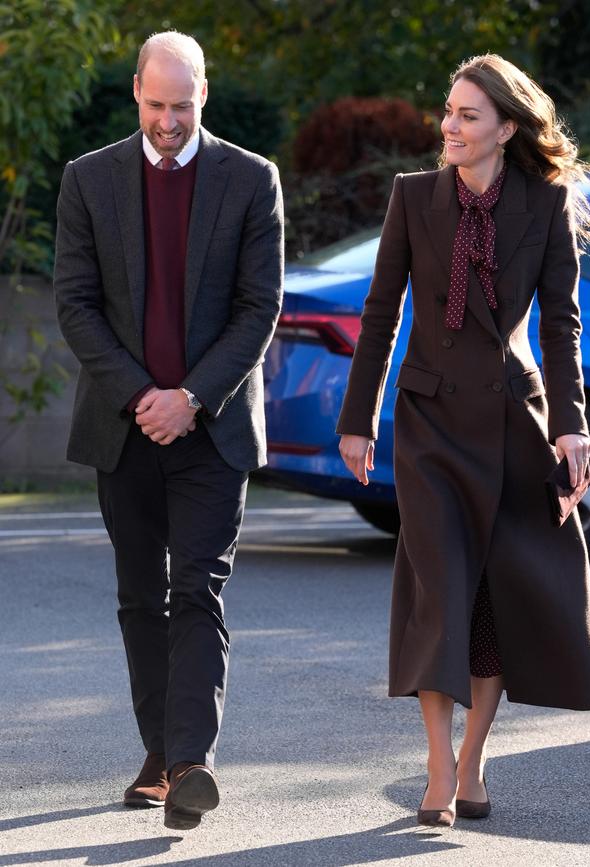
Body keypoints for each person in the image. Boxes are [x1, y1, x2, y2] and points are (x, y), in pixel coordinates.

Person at [337, 53, 590, 828]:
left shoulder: (544, 204)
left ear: (506, 128)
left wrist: (572, 426)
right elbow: (381, 311)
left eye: (467, 115)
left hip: (509, 427)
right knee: (438, 593)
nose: (449, 127)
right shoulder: (413, 197)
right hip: (427, 426)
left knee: (489, 600)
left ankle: (473, 757)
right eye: (448, 112)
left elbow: (562, 326)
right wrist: (359, 420)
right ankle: (434, 764)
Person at [54, 31, 283, 831]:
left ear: (204, 96)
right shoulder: (89, 179)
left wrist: (189, 396)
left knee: (197, 590)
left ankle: (188, 763)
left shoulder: (252, 179)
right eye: (156, 105)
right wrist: (143, 395)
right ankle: (162, 752)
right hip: (124, 429)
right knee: (137, 598)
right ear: (136, 95)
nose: (168, 121)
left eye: (182, 106)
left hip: (212, 432)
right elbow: (75, 304)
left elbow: (260, 308)